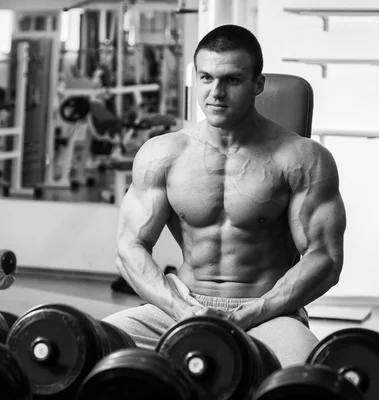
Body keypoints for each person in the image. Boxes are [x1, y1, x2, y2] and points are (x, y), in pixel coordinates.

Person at [102, 24, 347, 367]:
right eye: (206, 78)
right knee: (93, 348)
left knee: (299, 373)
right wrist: (181, 309)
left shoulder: (301, 158)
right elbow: (129, 248)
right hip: (179, 307)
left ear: (257, 84)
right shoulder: (163, 154)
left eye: (231, 80)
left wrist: (252, 313)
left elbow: (325, 259)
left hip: (268, 313)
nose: (215, 92)